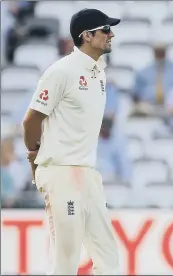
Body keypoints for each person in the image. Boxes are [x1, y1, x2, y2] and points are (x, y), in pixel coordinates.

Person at [22, 8, 121, 275]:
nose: (111, 34)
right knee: (66, 259)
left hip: (87, 173)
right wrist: (36, 161)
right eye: (105, 30)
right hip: (61, 174)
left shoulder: (99, 71)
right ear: (86, 36)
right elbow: (30, 121)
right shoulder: (61, 71)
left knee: (109, 258)